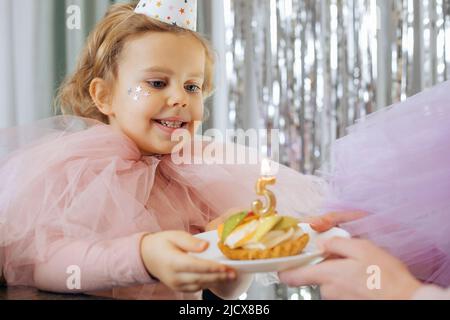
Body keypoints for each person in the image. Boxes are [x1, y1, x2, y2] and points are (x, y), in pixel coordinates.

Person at [0, 1, 325, 300]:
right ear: (104, 97)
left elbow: (227, 291)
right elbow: (38, 264)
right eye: (157, 83)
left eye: (192, 86)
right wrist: (143, 255)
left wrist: (229, 250)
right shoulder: (74, 170)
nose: (180, 98)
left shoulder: (202, 175)